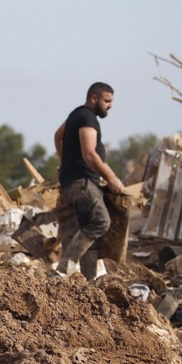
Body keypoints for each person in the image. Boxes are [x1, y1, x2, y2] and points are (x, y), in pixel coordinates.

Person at [53, 82, 124, 276]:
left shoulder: (75, 115)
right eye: (107, 101)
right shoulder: (87, 118)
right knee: (100, 221)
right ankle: (63, 270)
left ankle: (90, 282)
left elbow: (58, 137)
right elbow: (90, 155)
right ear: (94, 98)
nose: (110, 105)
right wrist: (112, 178)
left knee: (87, 229)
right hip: (82, 182)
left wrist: (66, 161)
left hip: (77, 180)